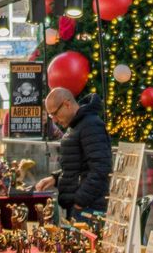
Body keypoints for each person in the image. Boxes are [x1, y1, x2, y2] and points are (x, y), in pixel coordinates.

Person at [32, 88, 111, 218]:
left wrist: (79, 202)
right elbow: (77, 165)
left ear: (67, 104)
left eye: (55, 114)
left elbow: (101, 168)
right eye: (51, 116)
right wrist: (55, 178)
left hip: (88, 208)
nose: (55, 120)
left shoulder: (90, 125)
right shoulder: (76, 125)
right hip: (80, 206)